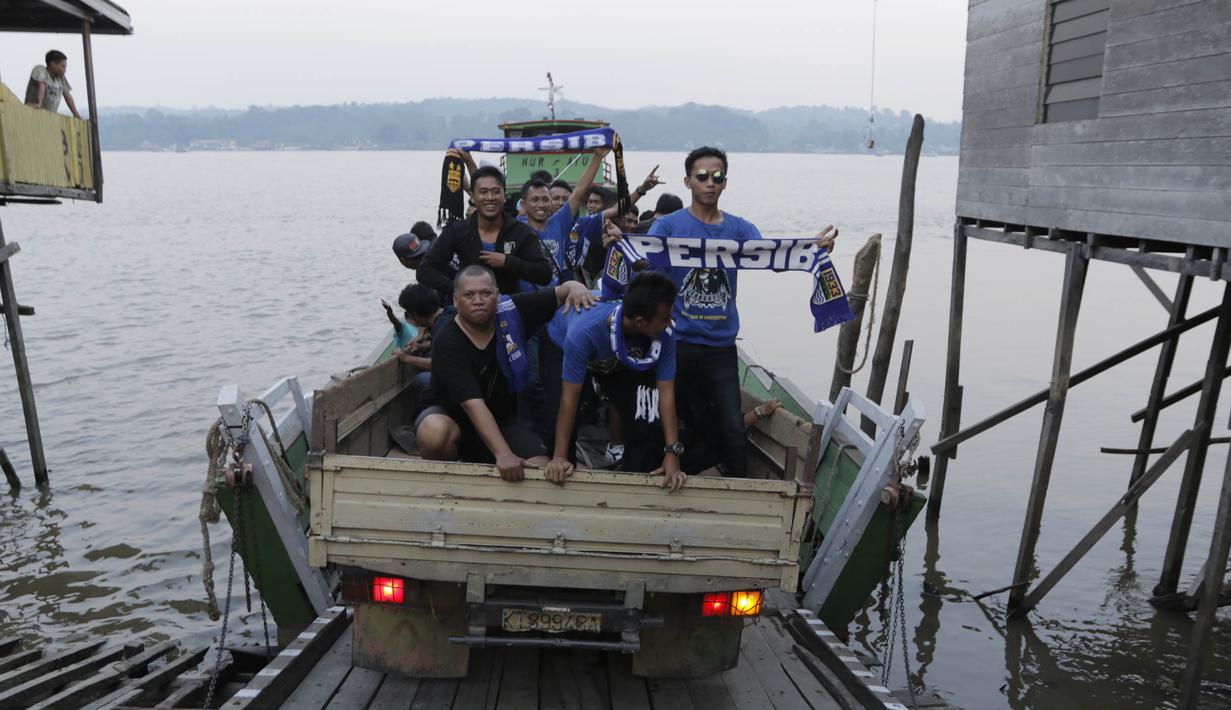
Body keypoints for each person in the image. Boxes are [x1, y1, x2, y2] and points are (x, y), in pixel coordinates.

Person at [649, 146, 837, 478]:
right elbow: (642, 259)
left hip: (721, 347)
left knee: (733, 430)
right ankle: (665, 471)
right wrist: (616, 241)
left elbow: (772, 257)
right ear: (688, 181)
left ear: (725, 183)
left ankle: (739, 490)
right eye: (702, 176)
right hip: (678, 343)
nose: (710, 183)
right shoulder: (668, 227)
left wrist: (811, 247)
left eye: (717, 176)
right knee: (671, 419)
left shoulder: (738, 228)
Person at [413, 264, 595, 480]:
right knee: (434, 433)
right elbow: (473, 406)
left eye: (486, 293)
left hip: (501, 421)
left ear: (498, 295)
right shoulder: (447, 341)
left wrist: (576, 287)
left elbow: (560, 293)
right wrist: (504, 454)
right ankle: (446, 477)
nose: (478, 301)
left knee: (540, 467)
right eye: (469, 295)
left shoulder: (511, 312)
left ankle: (485, 456)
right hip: (453, 418)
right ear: (455, 300)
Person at [541, 271, 685, 491]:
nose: (670, 323)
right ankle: (564, 471)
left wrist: (672, 454)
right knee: (562, 422)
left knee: (642, 419)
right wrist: (559, 456)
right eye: (665, 319)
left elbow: (665, 395)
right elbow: (569, 398)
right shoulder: (583, 333)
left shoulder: (664, 333)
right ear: (640, 321)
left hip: (618, 356)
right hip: (562, 345)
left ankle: (636, 478)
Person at [416, 166, 553, 299]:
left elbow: (544, 274)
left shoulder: (521, 231)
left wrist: (507, 262)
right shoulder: (458, 230)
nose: (490, 197)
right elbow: (425, 271)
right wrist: (460, 289)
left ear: (504, 197)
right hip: (469, 311)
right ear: (473, 197)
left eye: (495, 191)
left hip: (510, 308)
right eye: (483, 192)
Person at [392, 283, 448, 391]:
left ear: (415, 314)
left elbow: (440, 365)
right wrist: (422, 346)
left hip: (463, 375)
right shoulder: (448, 314)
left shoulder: (442, 328)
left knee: (420, 379)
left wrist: (406, 357)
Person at [25, 50, 80, 118]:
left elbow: (67, 96)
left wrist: (76, 114)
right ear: (53, 64)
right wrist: (39, 104)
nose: (65, 70)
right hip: (33, 115)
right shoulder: (40, 70)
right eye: (63, 66)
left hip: (49, 117)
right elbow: (41, 85)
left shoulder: (61, 78)